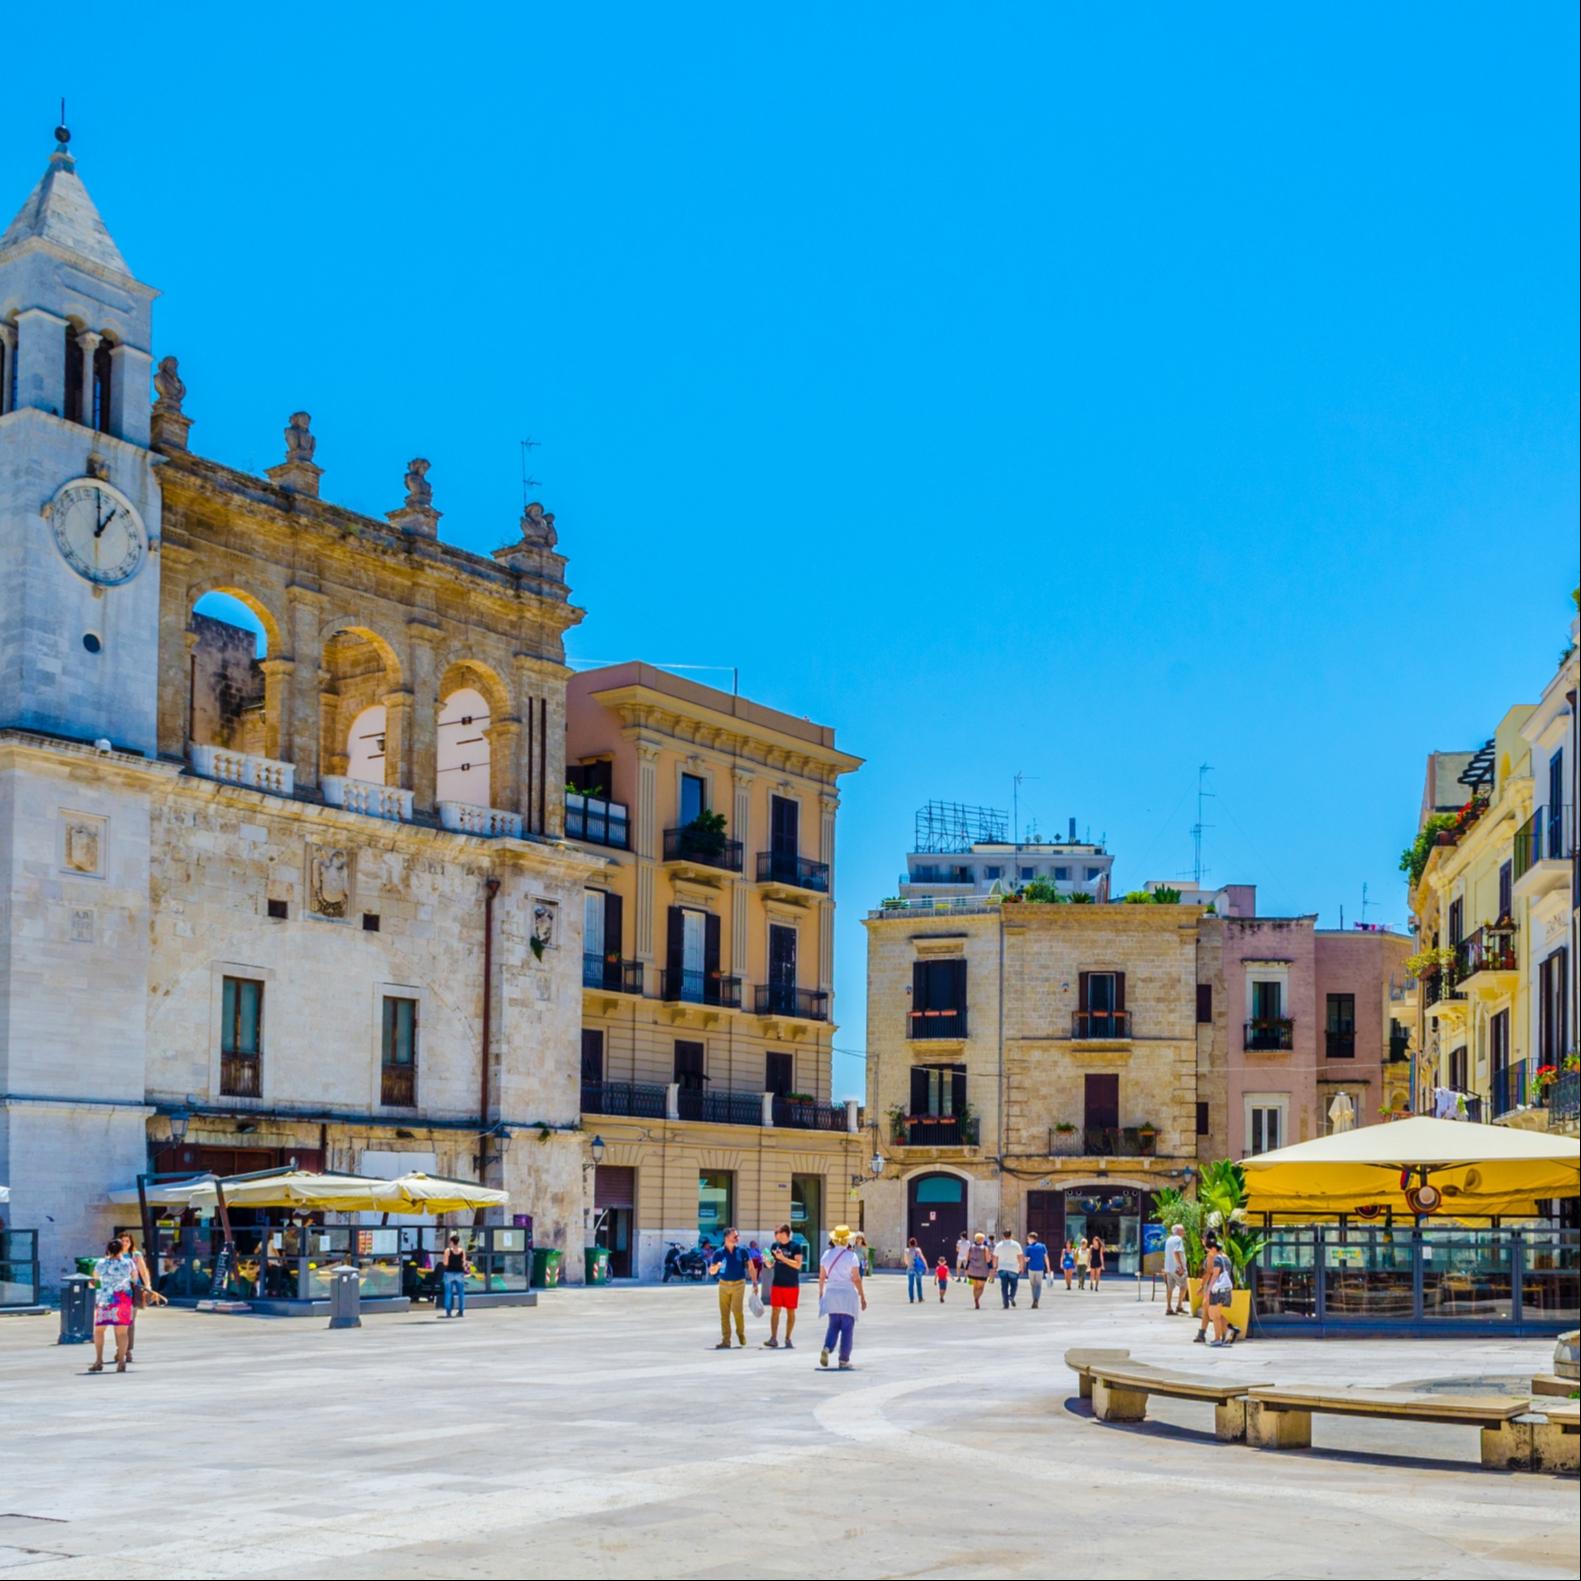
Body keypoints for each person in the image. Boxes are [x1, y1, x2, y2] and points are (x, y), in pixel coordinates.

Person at [817, 1224, 866, 1370]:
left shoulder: (826, 1255)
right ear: (847, 1240)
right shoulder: (852, 1256)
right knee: (847, 1327)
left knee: (833, 1324)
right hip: (847, 1295)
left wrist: (821, 1293)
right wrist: (862, 1296)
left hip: (831, 1293)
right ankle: (843, 1359)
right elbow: (856, 1279)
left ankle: (827, 1348)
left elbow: (821, 1277)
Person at [89, 1237, 136, 1373]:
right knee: (122, 1333)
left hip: (105, 1299)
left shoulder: (101, 1263)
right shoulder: (129, 1263)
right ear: (122, 1249)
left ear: (108, 1250)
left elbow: (95, 1277)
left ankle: (99, 1361)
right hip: (123, 1299)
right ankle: (121, 1361)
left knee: (99, 1331)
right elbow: (134, 1278)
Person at [707, 1227, 758, 1349]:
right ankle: (726, 1340)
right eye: (734, 1236)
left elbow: (751, 1267)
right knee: (724, 1314)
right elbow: (712, 1271)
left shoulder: (742, 1251)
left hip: (739, 1284)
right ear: (727, 1237)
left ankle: (740, 1333)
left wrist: (755, 1282)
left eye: (737, 1236)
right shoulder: (719, 1253)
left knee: (737, 1311)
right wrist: (717, 1267)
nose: (737, 1238)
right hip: (723, 1284)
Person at [117, 1232, 163, 1359]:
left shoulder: (135, 1256)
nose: (125, 1243)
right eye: (123, 1240)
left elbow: (143, 1271)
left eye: (127, 1241)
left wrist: (148, 1286)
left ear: (131, 1243)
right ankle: (120, 1349)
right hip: (118, 1292)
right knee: (119, 1322)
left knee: (130, 1321)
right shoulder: (114, 1254)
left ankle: (127, 1350)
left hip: (133, 1292)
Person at [762, 1223, 803, 1349]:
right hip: (777, 1283)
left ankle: (788, 1338)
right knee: (775, 1311)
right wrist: (767, 1262)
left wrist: (783, 1258)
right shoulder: (775, 1246)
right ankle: (773, 1338)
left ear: (784, 1233)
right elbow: (772, 1264)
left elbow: (798, 1265)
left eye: (777, 1233)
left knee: (790, 1311)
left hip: (791, 1284)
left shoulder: (796, 1246)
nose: (775, 1235)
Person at [1201, 1231, 1240, 1346]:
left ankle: (1217, 1339)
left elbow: (1214, 1275)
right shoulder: (1226, 1258)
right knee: (1216, 1314)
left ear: (1213, 1248)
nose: (1208, 1252)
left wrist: (1208, 1290)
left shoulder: (1217, 1259)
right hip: (1226, 1290)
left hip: (1217, 1290)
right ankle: (1227, 1338)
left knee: (1214, 1315)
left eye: (1209, 1250)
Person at [438, 1232, 471, 1318]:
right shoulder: (462, 1251)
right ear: (458, 1242)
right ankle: (461, 1311)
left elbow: (445, 1263)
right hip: (459, 1273)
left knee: (448, 1293)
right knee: (461, 1293)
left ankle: (448, 1312)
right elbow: (463, 1263)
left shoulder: (448, 1251)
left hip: (449, 1273)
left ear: (452, 1242)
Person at [993, 1229, 1026, 1309]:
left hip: (1002, 1268)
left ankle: (1005, 1303)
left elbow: (995, 1257)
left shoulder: (999, 1245)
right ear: (1011, 1235)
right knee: (1014, 1285)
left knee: (1004, 1286)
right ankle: (1011, 1296)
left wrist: (995, 1266)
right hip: (1013, 1268)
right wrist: (1021, 1266)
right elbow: (1020, 1256)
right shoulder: (1016, 1244)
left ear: (1003, 1236)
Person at [1163, 1222, 1190, 1316]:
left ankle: (1169, 1307)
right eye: (1182, 1230)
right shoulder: (1178, 1239)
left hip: (1169, 1268)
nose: (1184, 1232)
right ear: (1178, 1231)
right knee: (1184, 1287)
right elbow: (1176, 1252)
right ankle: (1179, 1305)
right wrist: (1181, 1266)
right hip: (1177, 1269)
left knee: (1169, 1288)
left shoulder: (1169, 1240)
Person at [964, 1232, 993, 1309]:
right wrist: (991, 1269)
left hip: (972, 1269)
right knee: (981, 1287)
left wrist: (966, 1269)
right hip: (982, 1270)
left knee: (975, 1287)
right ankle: (977, 1299)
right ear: (982, 1239)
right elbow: (988, 1260)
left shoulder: (970, 1247)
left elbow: (967, 1258)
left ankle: (975, 1299)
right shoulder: (985, 1248)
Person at [1023, 1231, 1050, 1309]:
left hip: (1031, 1268)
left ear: (1031, 1238)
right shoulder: (1042, 1246)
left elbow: (1026, 1259)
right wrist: (1048, 1267)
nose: (1028, 1240)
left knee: (1033, 1285)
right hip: (1040, 1268)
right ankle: (1036, 1300)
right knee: (1038, 1285)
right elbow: (1046, 1257)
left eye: (1028, 1239)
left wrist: (1026, 1260)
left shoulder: (1028, 1248)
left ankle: (1034, 1299)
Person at [905, 1237, 928, 1304]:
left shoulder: (906, 1251)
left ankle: (911, 1299)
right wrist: (926, 1267)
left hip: (910, 1269)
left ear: (909, 1243)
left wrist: (909, 1264)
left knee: (910, 1284)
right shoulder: (918, 1250)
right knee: (919, 1284)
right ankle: (920, 1298)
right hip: (918, 1269)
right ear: (916, 1243)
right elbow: (922, 1258)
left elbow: (905, 1261)